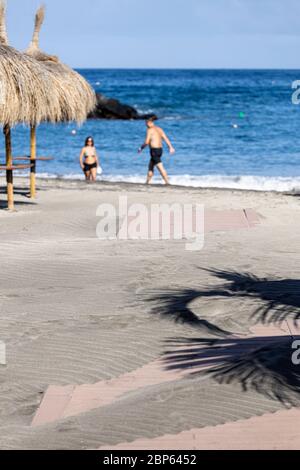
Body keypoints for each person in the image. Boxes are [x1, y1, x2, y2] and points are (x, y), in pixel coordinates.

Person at [138, 118, 175, 185]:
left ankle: (167, 182)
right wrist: (171, 147)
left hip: (154, 151)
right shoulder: (159, 129)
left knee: (160, 167)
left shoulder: (149, 130)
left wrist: (141, 148)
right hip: (160, 150)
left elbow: (146, 142)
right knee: (150, 166)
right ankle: (147, 182)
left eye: (146, 123)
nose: (146, 125)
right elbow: (166, 138)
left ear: (149, 123)